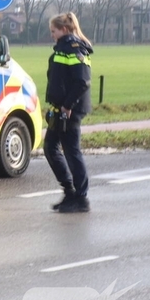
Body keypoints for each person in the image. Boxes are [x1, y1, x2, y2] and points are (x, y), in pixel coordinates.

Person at [44, 12, 94, 213]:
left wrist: (67, 106)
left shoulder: (74, 49)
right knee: (50, 148)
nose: (52, 34)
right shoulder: (62, 48)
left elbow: (82, 81)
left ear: (64, 30)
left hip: (70, 110)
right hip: (60, 108)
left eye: (53, 31)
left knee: (72, 152)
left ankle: (81, 198)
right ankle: (70, 192)